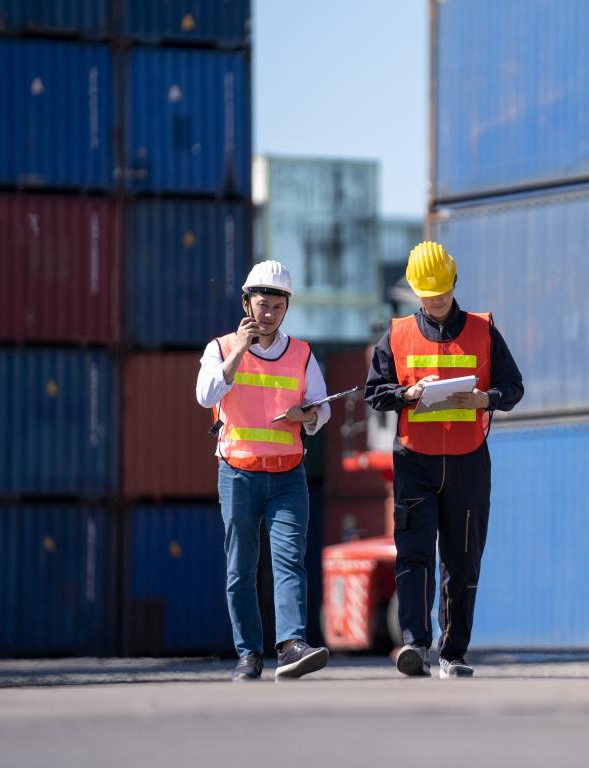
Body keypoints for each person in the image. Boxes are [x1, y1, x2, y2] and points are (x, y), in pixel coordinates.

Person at [364, 241, 524, 678]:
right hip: (415, 461)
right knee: (413, 556)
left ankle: (454, 653)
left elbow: (513, 388)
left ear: (454, 282)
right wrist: (407, 394)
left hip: (469, 462)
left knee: (463, 559)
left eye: (440, 292)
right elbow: (374, 393)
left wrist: (484, 398)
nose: (434, 301)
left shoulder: (483, 330)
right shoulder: (395, 335)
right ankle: (415, 644)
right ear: (415, 291)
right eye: (426, 294)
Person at [196, 260, 331, 682]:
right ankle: (248, 654)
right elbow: (205, 395)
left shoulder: (303, 353)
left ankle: (291, 645)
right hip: (238, 473)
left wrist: (307, 415)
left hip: (288, 475)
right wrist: (240, 350)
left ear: (286, 308)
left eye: (276, 305)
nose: (268, 313)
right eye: (261, 304)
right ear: (246, 303)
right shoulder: (219, 349)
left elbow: (322, 407)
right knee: (242, 567)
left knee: (290, 561)